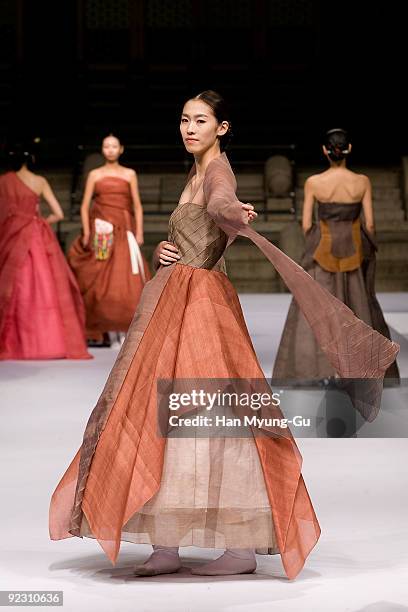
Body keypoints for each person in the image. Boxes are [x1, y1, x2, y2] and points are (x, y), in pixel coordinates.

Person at [49, 94, 398, 580]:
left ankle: (239, 547)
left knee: (206, 412)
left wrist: (233, 213)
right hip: (178, 297)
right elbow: (199, 228)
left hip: (201, 306)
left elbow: (220, 204)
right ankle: (166, 540)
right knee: (164, 411)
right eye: (184, 120)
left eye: (201, 121)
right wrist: (164, 250)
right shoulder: (197, 172)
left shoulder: (217, 173)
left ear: (223, 127)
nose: (189, 128)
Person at [273, 128, 399, 382]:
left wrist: (317, 241)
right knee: (359, 304)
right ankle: (364, 370)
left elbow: (306, 224)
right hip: (354, 245)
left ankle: (318, 369)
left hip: (323, 248)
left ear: (325, 151)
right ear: (349, 149)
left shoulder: (314, 183)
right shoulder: (361, 181)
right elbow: (370, 224)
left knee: (320, 307)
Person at [0, 144, 90, 360]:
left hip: (11, 237)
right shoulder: (39, 181)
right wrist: (38, 221)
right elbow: (58, 213)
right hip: (36, 237)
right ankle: (48, 343)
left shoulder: (3, 181)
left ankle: (16, 343)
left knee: (13, 287)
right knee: (45, 285)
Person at [68, 133, 151, 346]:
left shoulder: (129, 174)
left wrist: (139, 231)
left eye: (114, 146)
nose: (111, 150)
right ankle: (105, 329)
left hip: (125, 230)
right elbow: (85, 205)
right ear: (103, 150)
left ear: (121, 149)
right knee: (102, 277)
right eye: (107, 146)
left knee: (125, 277)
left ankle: (125, 328)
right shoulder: (95, 175)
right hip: (102, 230)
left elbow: (137, 205)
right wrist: (87, 232)